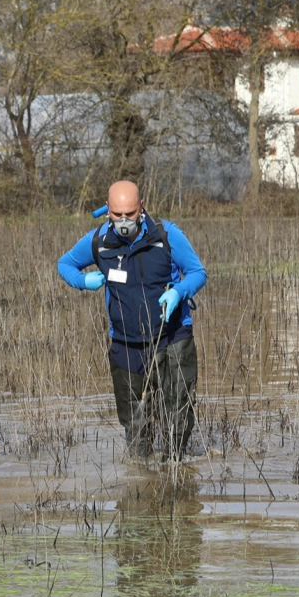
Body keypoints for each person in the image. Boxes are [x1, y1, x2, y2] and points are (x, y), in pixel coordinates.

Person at [58, 180, 207, 459]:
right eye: (117, 214)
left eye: (129, 213)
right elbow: (64, 263)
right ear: (108, 210)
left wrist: (179, 292)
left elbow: (198, 272)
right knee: (136, 427)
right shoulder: (98, 241)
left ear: (141, 207)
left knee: (177, 415)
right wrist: (82, 280)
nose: (124, 220)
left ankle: (176, 468)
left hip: (172, 336)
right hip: (126, 344)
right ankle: (142, 481)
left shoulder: (167, 234)